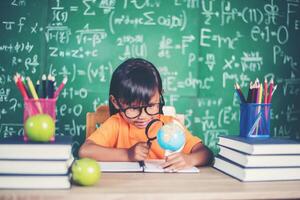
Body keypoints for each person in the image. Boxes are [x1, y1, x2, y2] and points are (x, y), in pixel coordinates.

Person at [79, 58, 212, 171]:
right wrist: (128, 154)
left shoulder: (170, 126)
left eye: (150, 106)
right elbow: (84, 151)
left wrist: (190, 159)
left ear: (160, 95)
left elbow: (206, 153)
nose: (143, 116)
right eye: (133, 108)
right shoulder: (116, 123)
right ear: (116, 102)